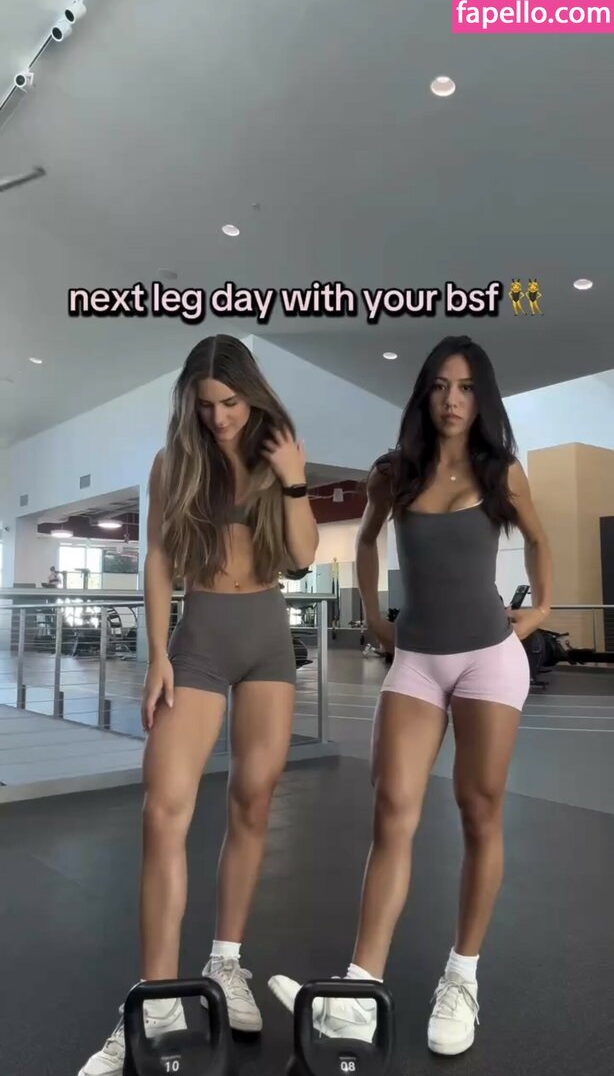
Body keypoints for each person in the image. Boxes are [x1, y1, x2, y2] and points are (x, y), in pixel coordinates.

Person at [268, 335, 552, 1055]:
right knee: (393, 810)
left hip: (490, 659)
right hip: (418, 661)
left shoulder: (502, 472)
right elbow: (365, 542)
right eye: (440, 386)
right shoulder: (393, 474)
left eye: (466, 388)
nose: (452, 400)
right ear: (424, 394)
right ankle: (359, 991)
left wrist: (542, 610)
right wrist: (371, 614)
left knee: (479, 811)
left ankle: (462, 976)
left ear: (482, 399)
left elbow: (540, 540)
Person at [79, 334, 319, 1076]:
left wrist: (295, 479)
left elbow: (304, 556)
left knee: (254, 801)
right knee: (164, 807)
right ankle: (154, 1001)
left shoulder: (280, 454)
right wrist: (157, 653)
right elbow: (159, 558)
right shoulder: (174, 463)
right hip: (202, 638)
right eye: (206, 404)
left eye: (230, 402)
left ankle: (226, 962)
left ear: (252, 394)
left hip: (268, 637)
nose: (219, 417)